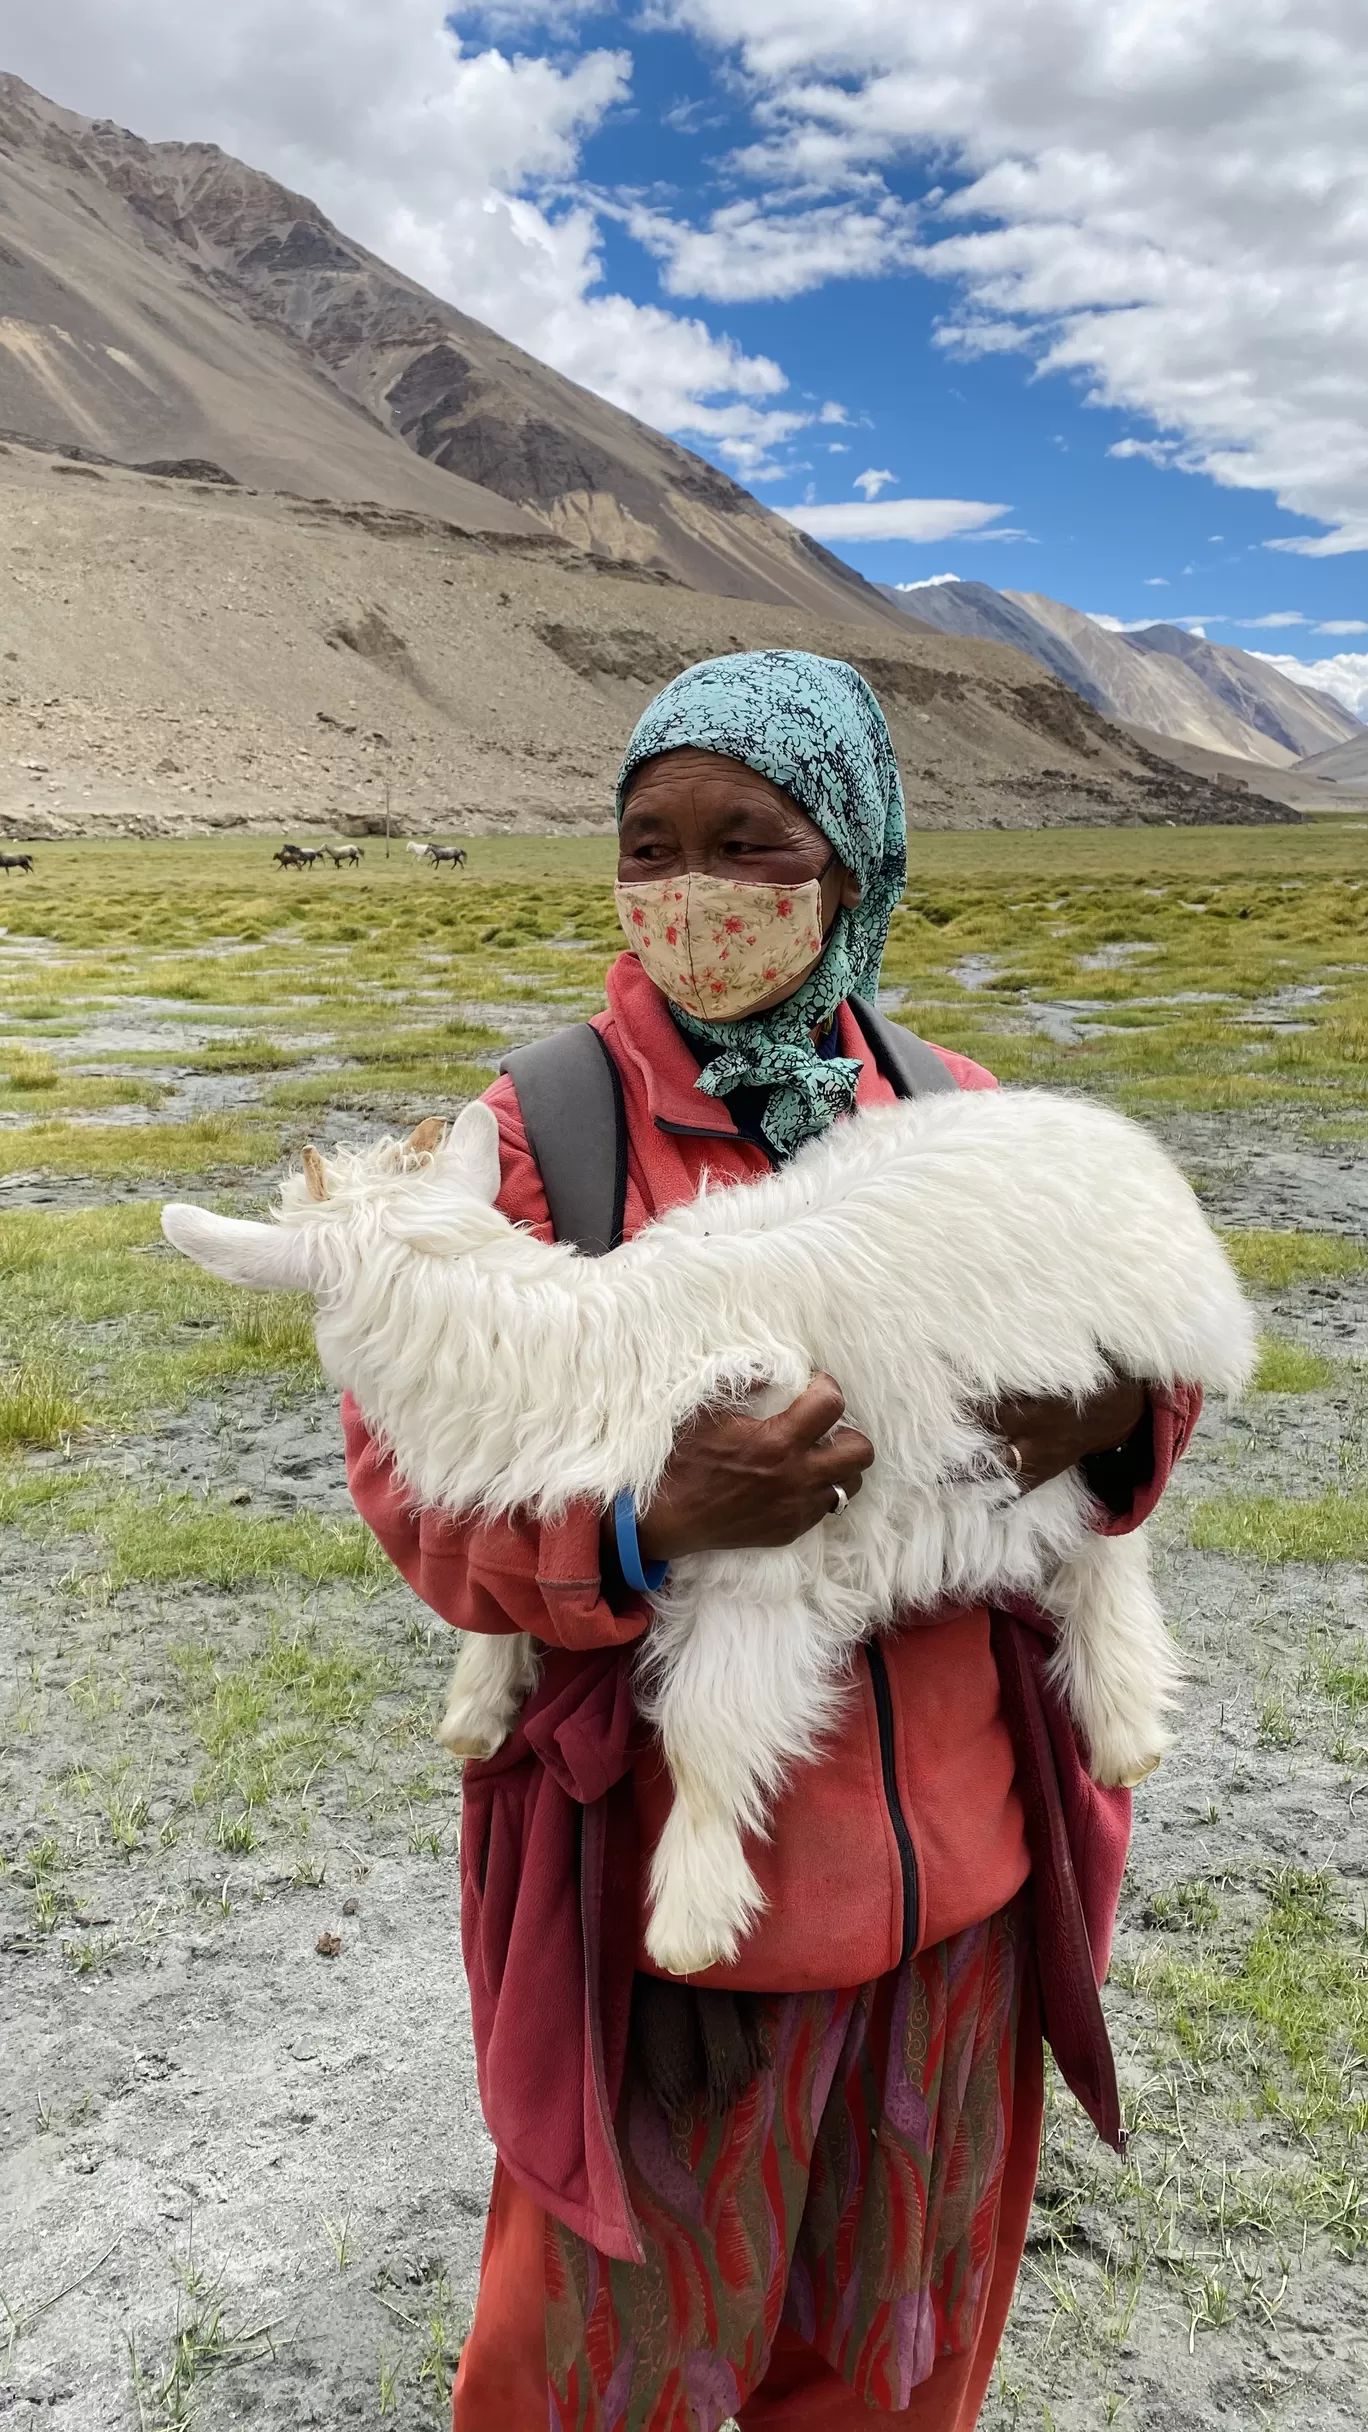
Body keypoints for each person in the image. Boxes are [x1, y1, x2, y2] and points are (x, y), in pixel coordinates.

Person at [345, 650, 1199, 2431]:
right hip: (676, 1924)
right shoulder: (536, 1143)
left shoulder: (956, 1112)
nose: (693, 894)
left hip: (961, 1903)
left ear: (855, 860)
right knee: (601, 2379)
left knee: (894, 2372)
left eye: (754, 844)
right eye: (649, 844)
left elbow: (1134, 1364)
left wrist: (1117, 1422)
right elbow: (417, 1496)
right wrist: (649, 1525)